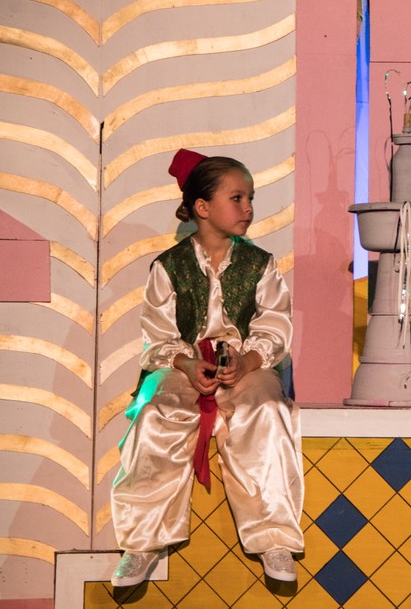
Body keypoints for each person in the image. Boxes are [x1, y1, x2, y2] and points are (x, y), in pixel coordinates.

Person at [110, 149, 304, 586]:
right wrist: (184, 362)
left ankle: (273, 537)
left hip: (246, 366)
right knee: (156, 413)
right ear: (202, 207)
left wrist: (248, 359)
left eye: (250, 198)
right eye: (237, 198)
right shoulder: (168, 266)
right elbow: (157, 334)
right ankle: (142, 541)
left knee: (266, 412)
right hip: (184, 365)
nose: (248, 207)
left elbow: (274, 324)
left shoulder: (261, 264)